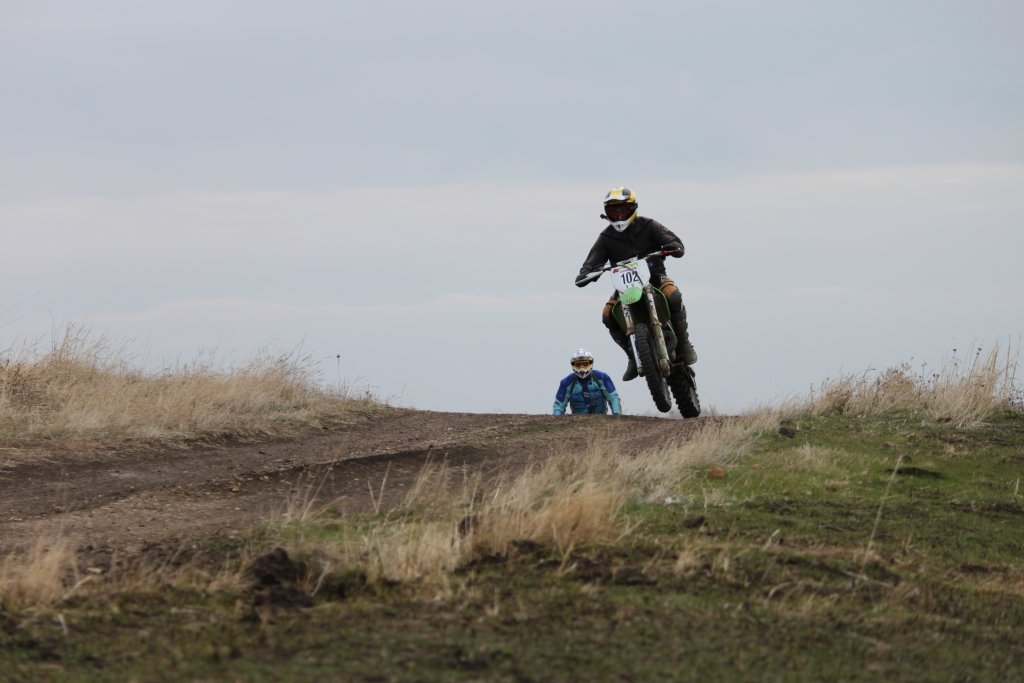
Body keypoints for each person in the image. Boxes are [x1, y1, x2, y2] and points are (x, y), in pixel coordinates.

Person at [574, 186, 697, 382]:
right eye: (613, 211)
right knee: (607, 315)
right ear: (606, 213)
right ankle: (632, 356)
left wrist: (672, 247)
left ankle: (684, 344)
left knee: (673, 296)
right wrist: (586, 273)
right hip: (625, 288)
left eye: (622, 210)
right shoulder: (606, 238)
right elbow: (590, 264)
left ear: (633, 208)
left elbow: (675, 242)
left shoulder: (649, 225)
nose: (619, 215)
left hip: (655, 278)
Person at [552, 348, 622, 415]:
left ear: (590, 363)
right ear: (573, 365)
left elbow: (613, 398)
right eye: (578, 365)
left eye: (585, 364)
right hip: (577, 421)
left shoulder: (603, 377)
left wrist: (617, 416)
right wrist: (557, 419)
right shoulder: (566, 382)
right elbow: (559, 405)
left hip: (601, 419)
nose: (582, 367)